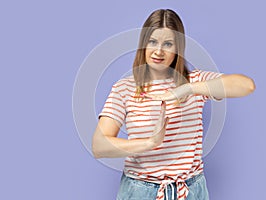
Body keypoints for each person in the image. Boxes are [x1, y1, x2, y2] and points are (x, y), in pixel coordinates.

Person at [92, 9, 255, 200]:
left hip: (190, 191)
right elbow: (99, 146)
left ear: (178, 48)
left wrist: (188, 89)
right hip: (139, 192)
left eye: (168, 44)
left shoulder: (195, 81)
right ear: (143, 44)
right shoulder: (125, 88)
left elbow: (246, 86)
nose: (159, 51)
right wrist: (150, 143)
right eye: (152, 41)